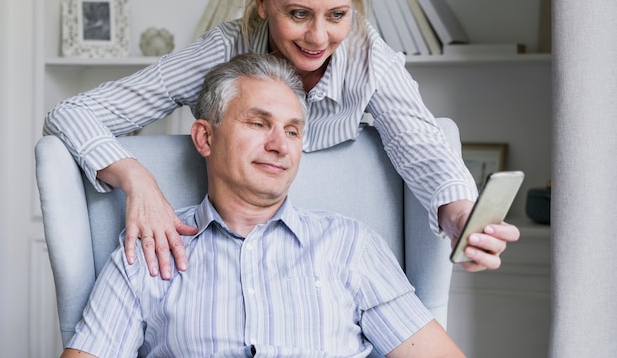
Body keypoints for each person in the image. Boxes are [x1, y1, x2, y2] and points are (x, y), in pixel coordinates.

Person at [43, 0, 519, 280]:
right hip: (221, 255)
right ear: (261, 0)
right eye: (297, 13)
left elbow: (424, 146)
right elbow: (71, 113)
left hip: (325, 266)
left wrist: (461, 217)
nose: (318, 37)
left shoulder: (369, 56)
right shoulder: (222, 49)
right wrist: (137, 179)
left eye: (336, 14)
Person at [60, 53, 465, 358]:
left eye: (292, 131)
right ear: (204, 138)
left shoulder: (350, 245)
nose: (279, 145)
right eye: (258, 124)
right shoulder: (147, 252)